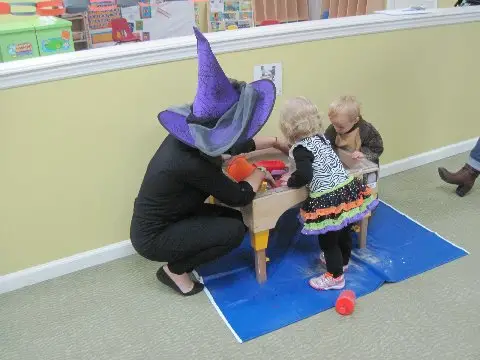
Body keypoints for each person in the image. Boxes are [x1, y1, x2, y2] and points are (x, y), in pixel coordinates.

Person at [130, 27, 289, 296]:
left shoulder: (192, 138)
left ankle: (182, 258)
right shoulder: (190, 163)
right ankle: (175, 269)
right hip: (154, 237)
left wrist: (274, 141)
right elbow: (240, 196)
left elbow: (235, 146)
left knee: (231, 219)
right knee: (234, 230)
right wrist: (260, 171)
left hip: (177, 214)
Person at [279, 97, 378, 291]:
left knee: (328, 241)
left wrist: (290, 180)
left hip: (327, 197)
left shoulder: (300, 149)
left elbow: (305, 174)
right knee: (344, 229)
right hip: (346, 188)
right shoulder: (321, 138)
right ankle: (344, 262)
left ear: (287, 127)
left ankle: (335, 277)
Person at [325, 96, 383, 164]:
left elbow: (377, 148)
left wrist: (363, 154)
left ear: (355, 120)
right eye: (333, 124)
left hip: (366, 166)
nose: (336, 129)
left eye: (341, 127)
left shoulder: (367, 130)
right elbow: (326, 145)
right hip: (345, 166)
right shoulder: (332, 129)